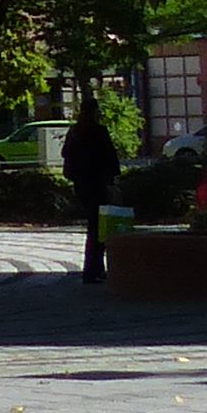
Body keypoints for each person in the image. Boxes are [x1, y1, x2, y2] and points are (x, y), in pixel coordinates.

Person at [63, 103, 123, 283]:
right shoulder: (99, 131)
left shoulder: (75, 132)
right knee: (99, 228)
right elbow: (110, 157)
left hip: (82, 184)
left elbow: (65, 152)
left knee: (93, 226)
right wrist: (114, 179)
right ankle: (95, 269)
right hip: (99, 183)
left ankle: (93, 269)